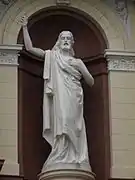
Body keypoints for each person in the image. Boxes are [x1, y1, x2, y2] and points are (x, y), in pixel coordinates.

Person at [22, 17, 94, 171]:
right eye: (63, 38)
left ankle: (76, 155)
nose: (66, 40)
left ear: (73, 42)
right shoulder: (52, 56)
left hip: (74, 96)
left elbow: (91, 81)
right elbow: (30, 49)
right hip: (59, 96)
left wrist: (80, 68)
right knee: (61, 122)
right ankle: (59, 153)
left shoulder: (78, 62)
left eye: (69, 38)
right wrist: (24, 28)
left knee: (75, 125)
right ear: (59, 41)